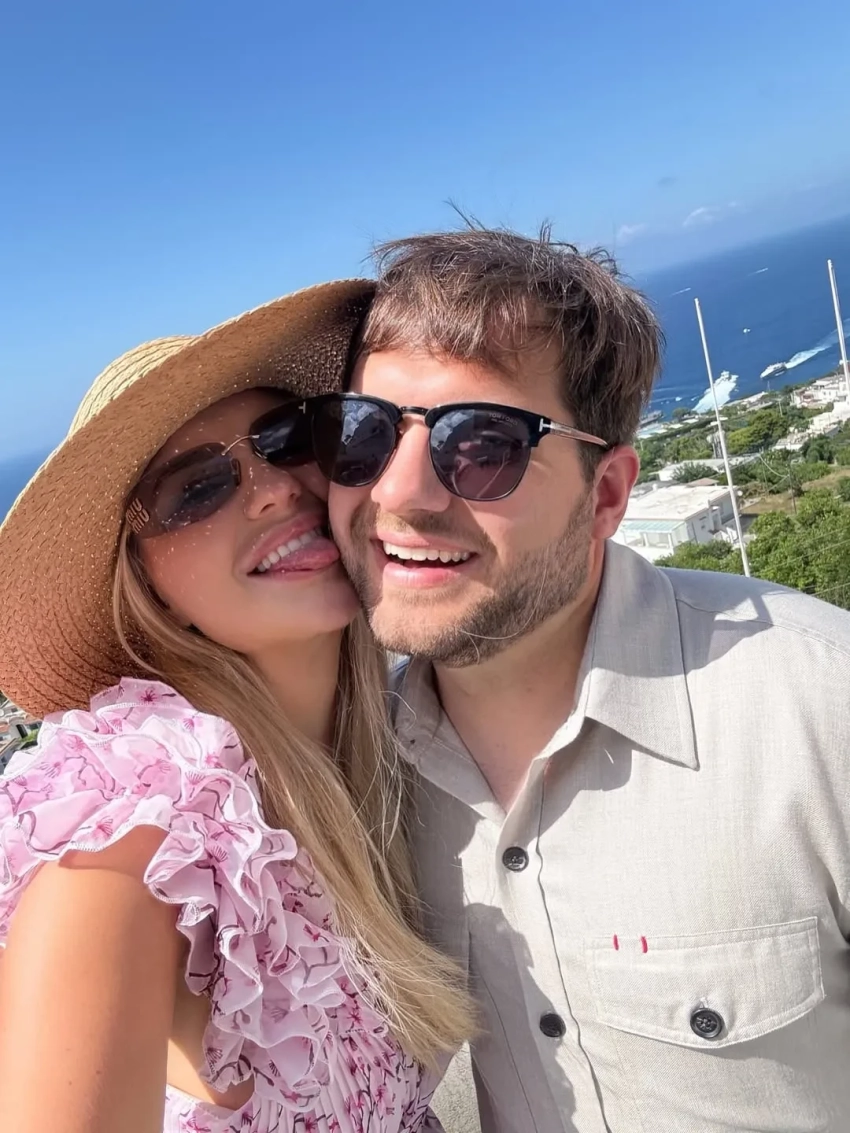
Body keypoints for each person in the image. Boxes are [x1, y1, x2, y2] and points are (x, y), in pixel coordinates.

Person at [323, 226, 850, 1133]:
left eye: (480, 443)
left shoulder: (814, 706)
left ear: (605, 494)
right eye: (362, 434)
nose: (398, 493)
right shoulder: (357, 779)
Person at [0, 282, 472, 1133]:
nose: (271, 488)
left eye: (290, 438)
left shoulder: (402, 742)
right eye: (196, 489)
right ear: (149, 585)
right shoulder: (134, 853)